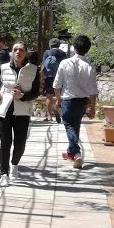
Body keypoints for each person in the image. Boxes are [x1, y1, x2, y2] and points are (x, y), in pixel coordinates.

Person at [0, 41, 40, 187]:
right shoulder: (3, 67)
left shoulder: (33, 69)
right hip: (3, 110)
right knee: (5, 143)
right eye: (15, 49)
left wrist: (23, 96)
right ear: (12, 52)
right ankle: (4, 174)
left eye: (21, 50)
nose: (18, 52)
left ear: (26, 53)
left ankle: (14, 164)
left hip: (22, 111)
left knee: (20, 143)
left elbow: (36, 92)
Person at [54, 34, 98, 169]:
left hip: (67, 100)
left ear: (74, 47)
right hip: (82, 102)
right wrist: (93, 107)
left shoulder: (65, 63)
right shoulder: (90, 66)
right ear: (88, 49)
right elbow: (93, 90)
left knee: (69, 126)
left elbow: (57, 85)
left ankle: (77, 153)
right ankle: (70, 153)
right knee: (76, 126)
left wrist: (58, 99)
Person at [42, 38, 68, 123]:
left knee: (49, 96)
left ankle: (49, 116)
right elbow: (65, 66)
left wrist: (43, 77)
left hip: (49, 77)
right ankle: (56, 107)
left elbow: (44, 66)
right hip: (60, 77)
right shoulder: (62, 53)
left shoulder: (47, 53)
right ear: (59, 45)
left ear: (50, 45)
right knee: (59, 95)